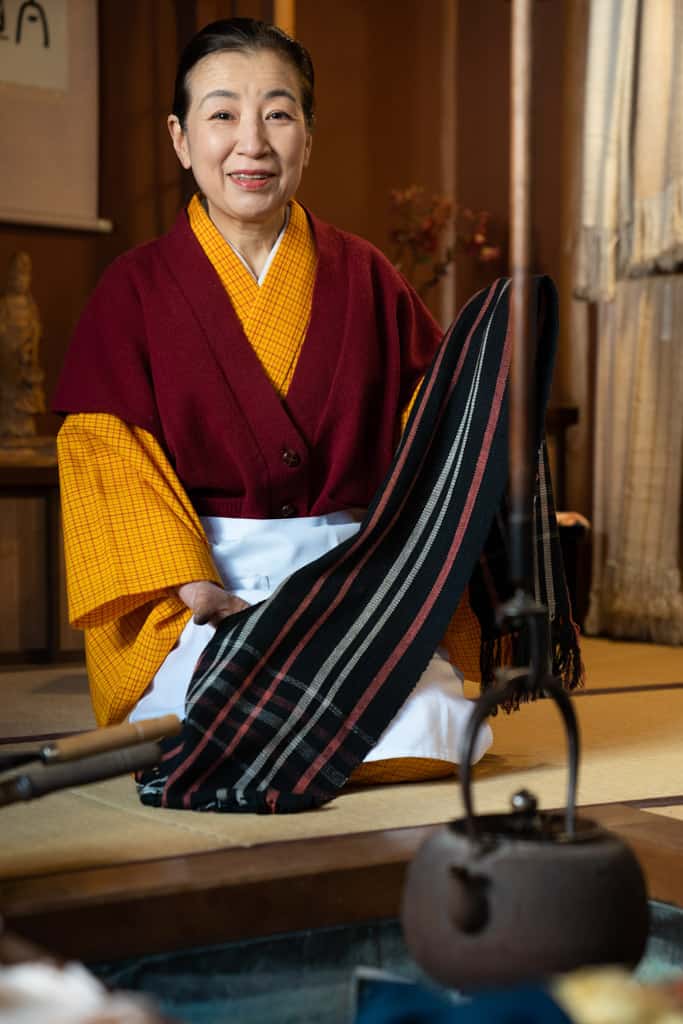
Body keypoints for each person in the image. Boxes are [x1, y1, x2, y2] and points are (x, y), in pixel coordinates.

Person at [54, 17, 501, 798]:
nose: (251, 143)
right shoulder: (133, 288)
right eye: (222, 114)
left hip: (352, 585)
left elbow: (436, 434)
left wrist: (400, 570)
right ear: (181, 138)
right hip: (203, 595)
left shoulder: (367, 276)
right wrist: (189, 587)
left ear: (308, 136)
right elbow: (105, 451)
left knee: (425, 722)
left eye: (278, 113)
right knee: (210, 707)